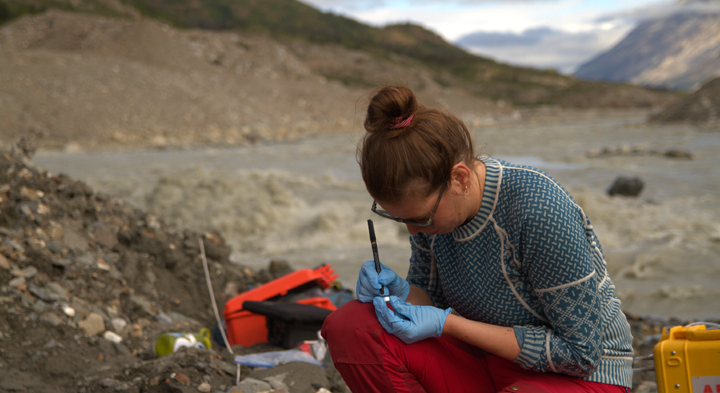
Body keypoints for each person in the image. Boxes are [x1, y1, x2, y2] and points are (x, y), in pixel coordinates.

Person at [321, 86, 634, 393]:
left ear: (460, 178)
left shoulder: (539, 210)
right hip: (486, 360)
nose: (413, 232)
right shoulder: (434, 219)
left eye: (420, 219)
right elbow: (430, 299)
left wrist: (448, 325)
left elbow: (581, 353)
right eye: (400, 219)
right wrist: (399, 294)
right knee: (352, 326)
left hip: (582, 376)